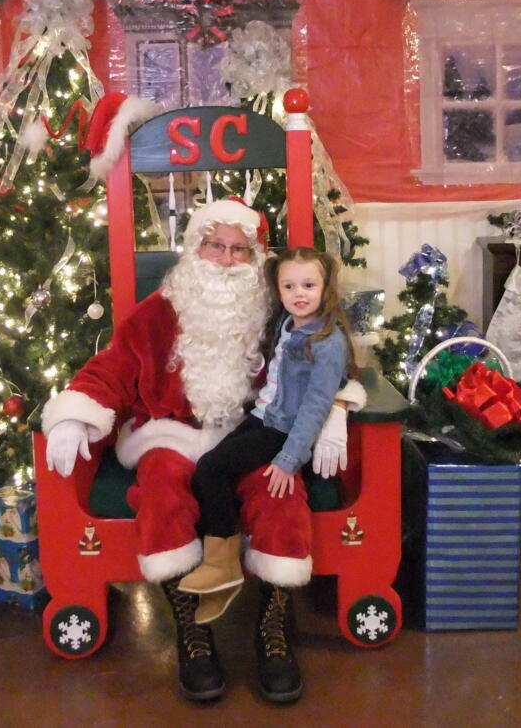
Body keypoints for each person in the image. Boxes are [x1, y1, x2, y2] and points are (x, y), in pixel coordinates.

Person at [41, 199, 363, 704]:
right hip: (170, 432)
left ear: (256, 258)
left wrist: (337, 410)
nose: (227, 259)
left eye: (239, 249)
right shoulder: (159, 311)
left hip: (251, 430)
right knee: (162, 489)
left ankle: (273, 625)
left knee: (279, 492)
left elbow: (331, 364)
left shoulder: (279, 310)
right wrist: (75, 413)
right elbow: (114, 366)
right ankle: (192, 629)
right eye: (216, 246)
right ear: (195, 248)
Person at [178, 247, 357, 635]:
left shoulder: (327, 342)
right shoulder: (288, 323)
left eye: (308, 285)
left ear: (325, 287)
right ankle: (221, 564)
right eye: (289, 286)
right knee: (211, 465)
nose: (299, 294)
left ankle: (222, 564)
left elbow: (314, 406)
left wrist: (290, 458)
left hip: (280, 431)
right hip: (261, 416)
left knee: (210, 470)